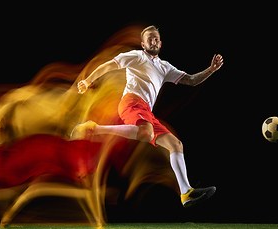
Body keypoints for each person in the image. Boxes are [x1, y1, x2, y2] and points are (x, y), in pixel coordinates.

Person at [72, 25, 223, 208]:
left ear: (160, 43)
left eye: (156, 38)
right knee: (146, 132)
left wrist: (211, 70)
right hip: (131, 102)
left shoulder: (164, 66)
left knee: (176, 144)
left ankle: (186, 193)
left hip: (146, 112)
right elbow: (109, 66)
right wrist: (88, 81)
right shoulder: (136, 56)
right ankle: (94, 128)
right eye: (149, 38)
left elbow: (191, 80)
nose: (154, 41)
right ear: (143, 44)